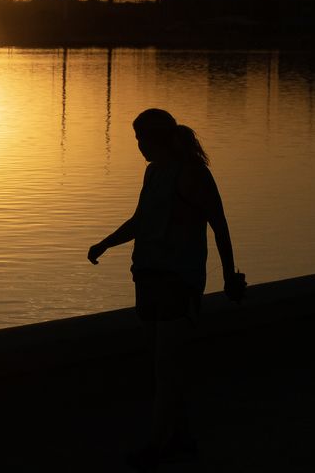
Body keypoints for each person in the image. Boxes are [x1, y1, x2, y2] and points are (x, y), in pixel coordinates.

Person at [88, 107, 245, 468]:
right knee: (162, 367)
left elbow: (219, 225)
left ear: (156, 137)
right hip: (148, 277)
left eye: (141, 138)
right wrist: (106, 244)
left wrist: (228, 276)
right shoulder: (153, 172)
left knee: (166, 367)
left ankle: (158, 446)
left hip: (179, 281)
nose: (139, 146)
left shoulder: (193, 176)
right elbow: (141, 221)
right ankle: (181, 436)